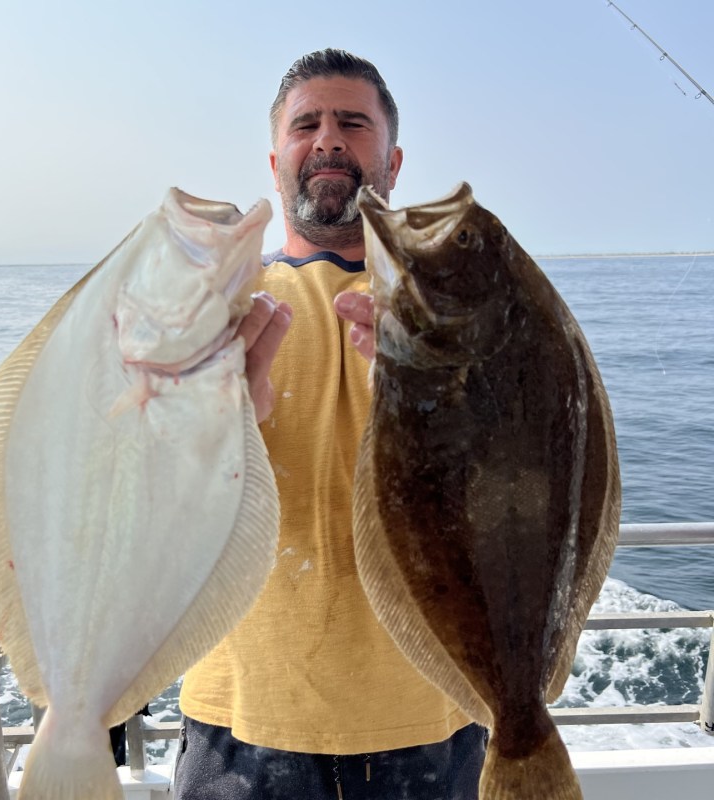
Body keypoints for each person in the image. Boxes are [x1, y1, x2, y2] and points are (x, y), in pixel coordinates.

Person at [173, 49, 487, 800]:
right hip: (238, 723)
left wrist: (443, 398)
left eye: (353, 122)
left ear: (394, 158)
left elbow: (514, 494)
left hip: (436, 719)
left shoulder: (464, 309)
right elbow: (153, 514)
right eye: (306, 123)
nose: (328, 138)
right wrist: (212, 431)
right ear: (275, 157)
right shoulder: (210, 309)